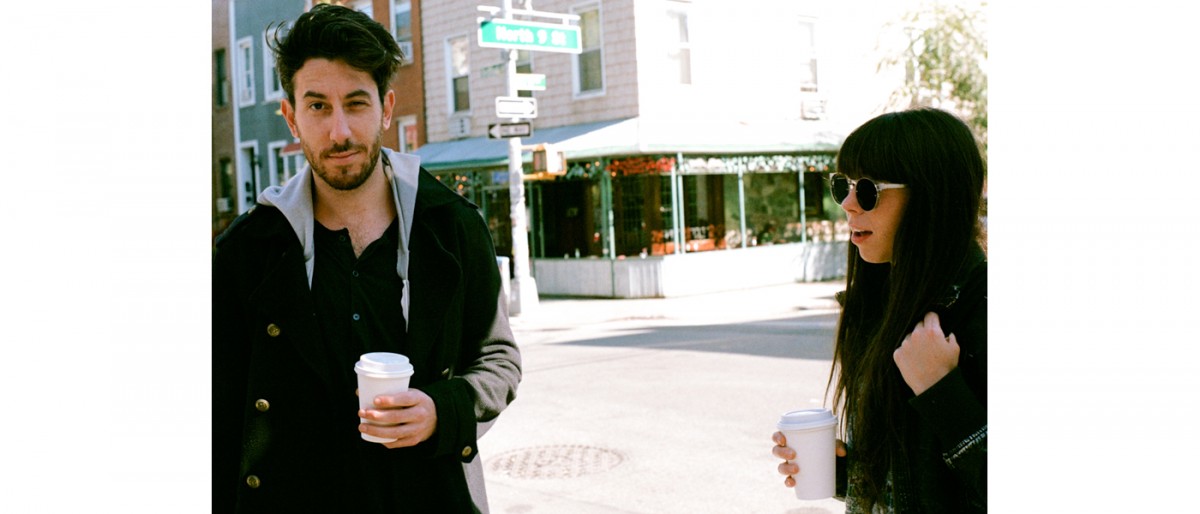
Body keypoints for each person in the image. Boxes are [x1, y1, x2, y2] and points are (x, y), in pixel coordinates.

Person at [212, 4, 521, 513]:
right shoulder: (246, 251)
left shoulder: (452, 226)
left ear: (386, 108)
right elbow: (219, 416)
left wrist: (441, 410)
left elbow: (498, 358)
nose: (340, 132)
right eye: (317, 106)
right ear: (291, 117)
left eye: (356, 104)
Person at [771, 107, 987, 512]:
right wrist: (845, 473)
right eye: (843, 186)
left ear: (931, 196)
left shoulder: (983, 309)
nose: (848, 204)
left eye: (869, 189)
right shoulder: (881, 305)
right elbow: (913, 483)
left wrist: (942, 392)